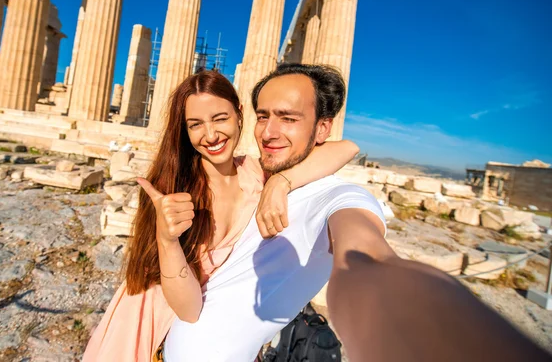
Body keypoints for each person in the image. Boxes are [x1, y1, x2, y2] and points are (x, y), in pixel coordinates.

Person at [163, 64, 551, 361]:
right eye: (263, 116)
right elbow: (345, 148)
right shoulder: (263, 175)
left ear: (321, 129)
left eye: (289, 118)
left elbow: (367, 261)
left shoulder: (338, 197)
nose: (268, 132)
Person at [82, 70, 359, 361]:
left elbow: (347, 148)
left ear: (240, 114)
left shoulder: (257, 174)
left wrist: (282, 181)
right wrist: (167, 239)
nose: (211, 135)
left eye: (220, 118)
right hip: (152, 322)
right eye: (195, 124)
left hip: (216, 335)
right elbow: (188, 310)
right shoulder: (173, 190)